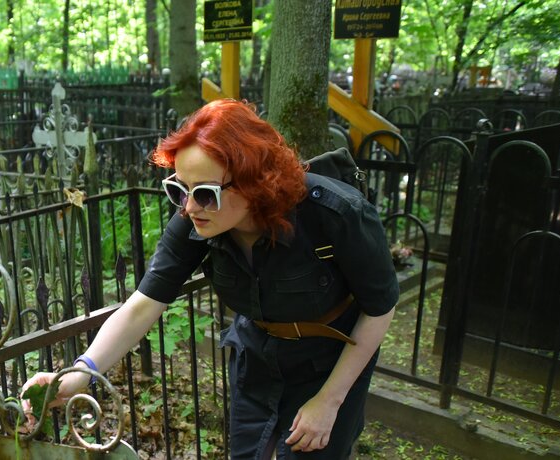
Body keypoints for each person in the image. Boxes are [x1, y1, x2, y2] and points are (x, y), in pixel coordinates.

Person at [22, 99, 398, 459]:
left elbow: (380, 308)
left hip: (330, 363)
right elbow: (142, 305)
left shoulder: (337, 213)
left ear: (254, 183)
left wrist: (330, 400)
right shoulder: (196, 221)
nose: (189, 207)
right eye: (179, 189)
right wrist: (81, 372)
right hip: (257, 361)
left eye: (205, 193)